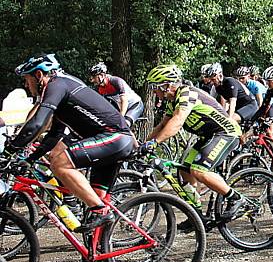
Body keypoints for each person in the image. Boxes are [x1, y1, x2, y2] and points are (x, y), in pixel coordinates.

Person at [5, 54, 134, 233]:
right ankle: (99, 256)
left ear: (39, 75)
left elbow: (36, 124)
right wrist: (31, 159)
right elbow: (54, 134)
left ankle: (99, 210)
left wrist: (10, 150)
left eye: (27, 80)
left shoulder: (56, 85)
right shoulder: (60, 89)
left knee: (60, 164)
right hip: (111, 141)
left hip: (115, 138)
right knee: (96, 201)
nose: (26, 86)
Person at [144, 64, 245, 224]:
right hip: (209, 136)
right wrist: (143, 144)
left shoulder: (186, 93)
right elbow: (162, 126)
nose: (153, 91)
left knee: (199, 170)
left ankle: (236, 199)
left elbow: (177, 121)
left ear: (166, 85)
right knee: (184, 170)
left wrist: (155, 143)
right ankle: (196, 215)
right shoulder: (172, 102)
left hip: (226, 133)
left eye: (154, 87)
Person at [88, 62, 144, 128]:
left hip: (135, 105)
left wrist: (121, 117)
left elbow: (124, 101)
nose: (92, 80)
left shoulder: (116, 81)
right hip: (122, 107)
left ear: (102, 75)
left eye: (94, 77)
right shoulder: (99, 88)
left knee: (124, 126)